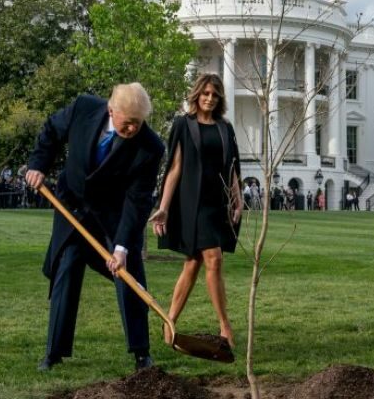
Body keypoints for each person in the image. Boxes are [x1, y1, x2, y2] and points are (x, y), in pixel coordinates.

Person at [26, 83, 165, 372]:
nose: (131, 130)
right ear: (110, 110)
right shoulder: (83, 108)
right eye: (127, 123)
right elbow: (51, 130)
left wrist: (122, 247)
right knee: (67, 265)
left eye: (137, 124)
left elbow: (138, 200)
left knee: (128, 277)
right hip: (73, 205)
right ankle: (54, 353)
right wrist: (38, 165)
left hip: (114, 216)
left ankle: (141, 353)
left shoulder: (151, 147)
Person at [149, 74, 242, 349]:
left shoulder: (225, 128)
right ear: (197, 94)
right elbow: (175, 168)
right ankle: (225, 326)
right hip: (195, 202)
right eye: (206, 93)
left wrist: (237, 200)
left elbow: (233, 168)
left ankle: (170, 320)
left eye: (215, 94)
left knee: (193, 264)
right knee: (214, 258)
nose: (210, 98)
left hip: (218, 203)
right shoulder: (183, 125)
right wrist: (164, 207)